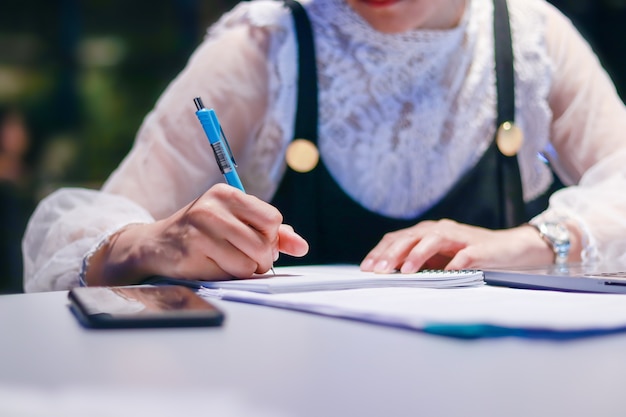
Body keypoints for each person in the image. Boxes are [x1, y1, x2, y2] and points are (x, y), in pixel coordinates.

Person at [23, 0, 626, 292]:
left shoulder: (531, 39)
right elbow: (82, 231)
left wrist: (535, 241)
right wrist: (149, 242)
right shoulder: (266, 44)